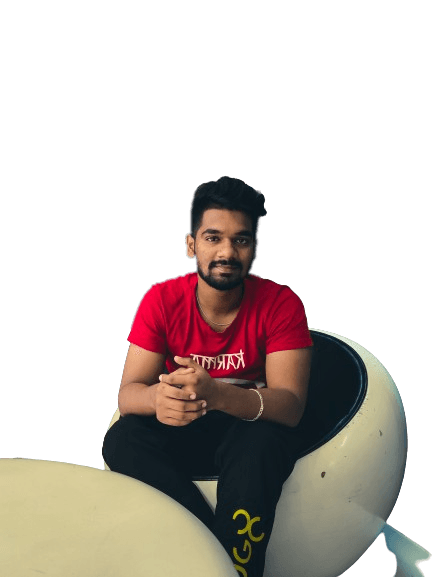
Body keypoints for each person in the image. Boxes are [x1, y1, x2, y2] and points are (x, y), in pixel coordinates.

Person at [102, 176, 313, 577]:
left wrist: (216, 395)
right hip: (184, 429)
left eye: (242, 240)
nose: (227, 252)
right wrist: (156, 401)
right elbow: (128, 393)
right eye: (213, 238)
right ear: (190, 245)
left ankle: (237, 567)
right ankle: (207, 547)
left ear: (254, 250)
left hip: (246, 431)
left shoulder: (281, 303)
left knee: (264, 443)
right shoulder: (161, 299)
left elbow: (291, 406)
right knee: (121, 440)